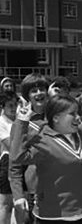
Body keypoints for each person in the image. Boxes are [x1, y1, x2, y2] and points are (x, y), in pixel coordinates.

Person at [10, 94, 82, 223]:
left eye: (78, 113)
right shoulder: (43, 140)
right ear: (56, 118)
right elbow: (18, 157)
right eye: (72, 114)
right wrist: (22, 120)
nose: (78, 118)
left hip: (81, 213)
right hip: (52, 216)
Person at [8, 73, 49, 224]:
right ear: (27, 96)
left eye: (41, 89)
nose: (39, 93)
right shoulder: (21, 124)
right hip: (36, 192)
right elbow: (14, 165)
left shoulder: (57, 116)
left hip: (61, 186)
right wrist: (18, 196)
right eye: (33, 90)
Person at [0, 91, 18, 224]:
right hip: (7, 162)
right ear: (3, 107)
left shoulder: (21, 119)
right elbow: (10, 145)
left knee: (21, 204)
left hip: (23, 163)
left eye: (15, 104)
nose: (13, 108)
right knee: (6, 204)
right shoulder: (1, 122)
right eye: (9, 105)